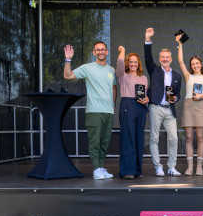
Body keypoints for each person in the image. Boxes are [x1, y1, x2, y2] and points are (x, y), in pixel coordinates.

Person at [64, 42, 117, 180]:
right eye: (97, 50)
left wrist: (113, 105)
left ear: (106, 51)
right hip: (94, 111)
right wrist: (68, 59)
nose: (100, 52)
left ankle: (100, 166)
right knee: (95, 142)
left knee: (105, 142)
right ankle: (96, 169)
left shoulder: (111, 70)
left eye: (103, 49)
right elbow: (68, 75)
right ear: (94, 52)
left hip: (109, 112)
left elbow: (114, 88)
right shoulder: (87, 68)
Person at [144, 28, 183, 177]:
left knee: (173, 138)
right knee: (154, 138)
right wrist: (148, 39)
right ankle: (158, 167)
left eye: (167, 57)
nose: (165, 59)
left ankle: (171, 167)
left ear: (171, 59)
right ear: (159, 59)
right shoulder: (154, 70)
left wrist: (176, 98)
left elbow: (178, 93)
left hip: (169, 109)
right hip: (155, 108)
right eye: (163, 57)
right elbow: (147, 57)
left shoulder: (177, 76)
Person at [176, 35, 203, 175]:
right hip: (188, 106)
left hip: (200, 107)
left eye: (197, 63)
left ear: (201, 64)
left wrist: (201, 96)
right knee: (189, 138)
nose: (195, 66)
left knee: (201, 138)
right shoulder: (188, 77)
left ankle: (199, 167)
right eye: (193, 64)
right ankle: (190, 167)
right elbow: (180, 61)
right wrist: (180, 44)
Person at [115, 46, 149, 179]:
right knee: (128, 139)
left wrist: (147, 99)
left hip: (140, 107)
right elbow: (119, 64)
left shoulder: (144, 78)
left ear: (138, 63)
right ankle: (127, 171)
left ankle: (137, 170)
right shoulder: (122, 75)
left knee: (139, 139)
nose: (133, 64)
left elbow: (146, 95)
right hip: (127, 105)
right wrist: (123, 52)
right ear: (127, 63)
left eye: (135, 61)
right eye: (131, 61)